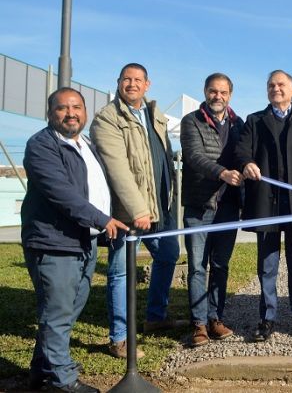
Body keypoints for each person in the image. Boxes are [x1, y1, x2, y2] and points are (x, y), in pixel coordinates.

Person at [22, 88, 128, 392]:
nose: (71, 113)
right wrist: (102, 220)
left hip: (84, 242)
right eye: (62, 108)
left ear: (85, 111)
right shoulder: (41, 145)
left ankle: (43, 372)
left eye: (77, 107)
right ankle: (63, 381)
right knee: (56, 313)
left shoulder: (86, 145)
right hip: (53, 244)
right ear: (50, 113)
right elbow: (61, 194)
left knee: (66, 312)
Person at [90, 63, 184, 359]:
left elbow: (164, 160)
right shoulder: (107, 119)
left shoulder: (155, 116)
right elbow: (118, 169)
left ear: (147, 84)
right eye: (126, 79)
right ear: (118, 83)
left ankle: (155, 317)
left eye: (138, 80)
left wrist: (167, 201)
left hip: (160, 209)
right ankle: (119, 337)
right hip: (129, 214)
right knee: (120, 273)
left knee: (168, 255)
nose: (132, 84)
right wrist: (137, 210)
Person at [233, 70, 292, 341]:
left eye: (281, 85)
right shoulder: (254, 120)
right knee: (267, 266)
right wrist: (246, 163)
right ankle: (267, 318)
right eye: (271, 85)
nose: (276, 89)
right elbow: (241, 150)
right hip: (267, 205)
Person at [180, 73, 245, 347]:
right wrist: (222, 173)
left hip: (228, 206)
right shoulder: (191, 121)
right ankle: (198, 324)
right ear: (205, 92)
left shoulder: (239, 123)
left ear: (230, 95)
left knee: (221, 265)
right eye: (212, 91)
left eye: (223, 92)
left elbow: (245, 154)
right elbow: (194, 156)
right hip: (199, 206)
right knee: (197, 267)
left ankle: (215, 318)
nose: (217, 96)